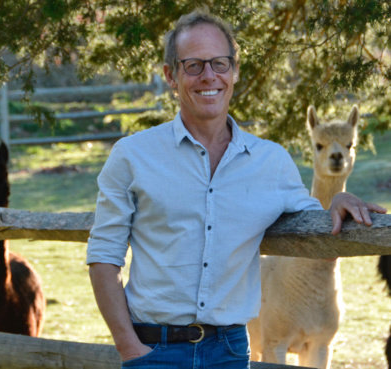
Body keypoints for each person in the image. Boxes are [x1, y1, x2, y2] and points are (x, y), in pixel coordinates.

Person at [87, 9, 386, 369]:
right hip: (154, 351)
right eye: (193, 65)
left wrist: (337, 198)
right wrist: (130, 349)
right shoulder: (132, 156)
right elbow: (104, 256)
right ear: (170, 75)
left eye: (220, 63)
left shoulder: (271, 163)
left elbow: (312, 223)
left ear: (235, 70)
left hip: (228, 352)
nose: (209, 76)